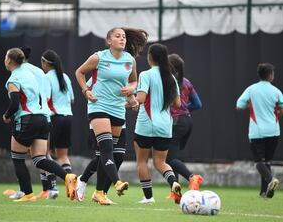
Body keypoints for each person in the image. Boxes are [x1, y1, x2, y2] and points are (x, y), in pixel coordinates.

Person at [75, 27, 147, 205]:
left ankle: (98, 192)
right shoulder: (98, 57)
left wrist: (132, 89)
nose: (122, 39)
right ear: (109, 41)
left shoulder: (129, 60)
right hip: (98, 105)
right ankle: (117, 183)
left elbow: (133, 81)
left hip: (117, 108)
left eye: (123, 36)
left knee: (114, 155)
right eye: (117, 36)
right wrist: (85, 91)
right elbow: (79, 72)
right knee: (106, 149)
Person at [2, 48, 77, 202]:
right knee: (39, 159)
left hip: (27, 119)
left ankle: (27, 193)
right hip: (43, 118)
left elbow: (15, 103)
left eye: (5, 57)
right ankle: (67, 176)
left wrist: (6, 115)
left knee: (17, 158)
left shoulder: (13, 79)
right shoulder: (34, 73)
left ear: (9, 60)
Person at [133, 43, 182, 204]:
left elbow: (140, 99)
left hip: (146, 125)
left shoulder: (145, 75)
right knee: (160, 162)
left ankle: (148, 197)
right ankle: (173, 182)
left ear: (150, 57)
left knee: (142, 161)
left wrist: (126, 100)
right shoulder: (171, 77)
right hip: (164, 126)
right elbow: (178, 104)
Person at [236, 63, 283, 199]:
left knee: (259, 162)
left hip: (257, 131)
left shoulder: (251, 90)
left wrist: (251, 105)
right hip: (274, 131)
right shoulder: (276, 91)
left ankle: (270, 181)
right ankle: (265, 192)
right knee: (267, 162)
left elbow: (239, 105)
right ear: (270, 75)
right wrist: (274, 114)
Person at [166, 54, 203, 201]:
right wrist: (184, 110)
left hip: (175, 122)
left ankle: (192, 177)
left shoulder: (168, 81)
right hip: (187, 121)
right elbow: (198, 104)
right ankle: (175, 192)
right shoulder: (186, 82)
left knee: (168, 159)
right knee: (173, 157)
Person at [41, 49, 75, 198]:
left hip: (54, 118)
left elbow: (46, 98)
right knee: (63, 156)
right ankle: (71, 186)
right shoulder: (65, 77)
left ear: (45, 63)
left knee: (45, 154)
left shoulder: (46, 77)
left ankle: (52, 188)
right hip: (68, 117)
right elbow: (72, 99)